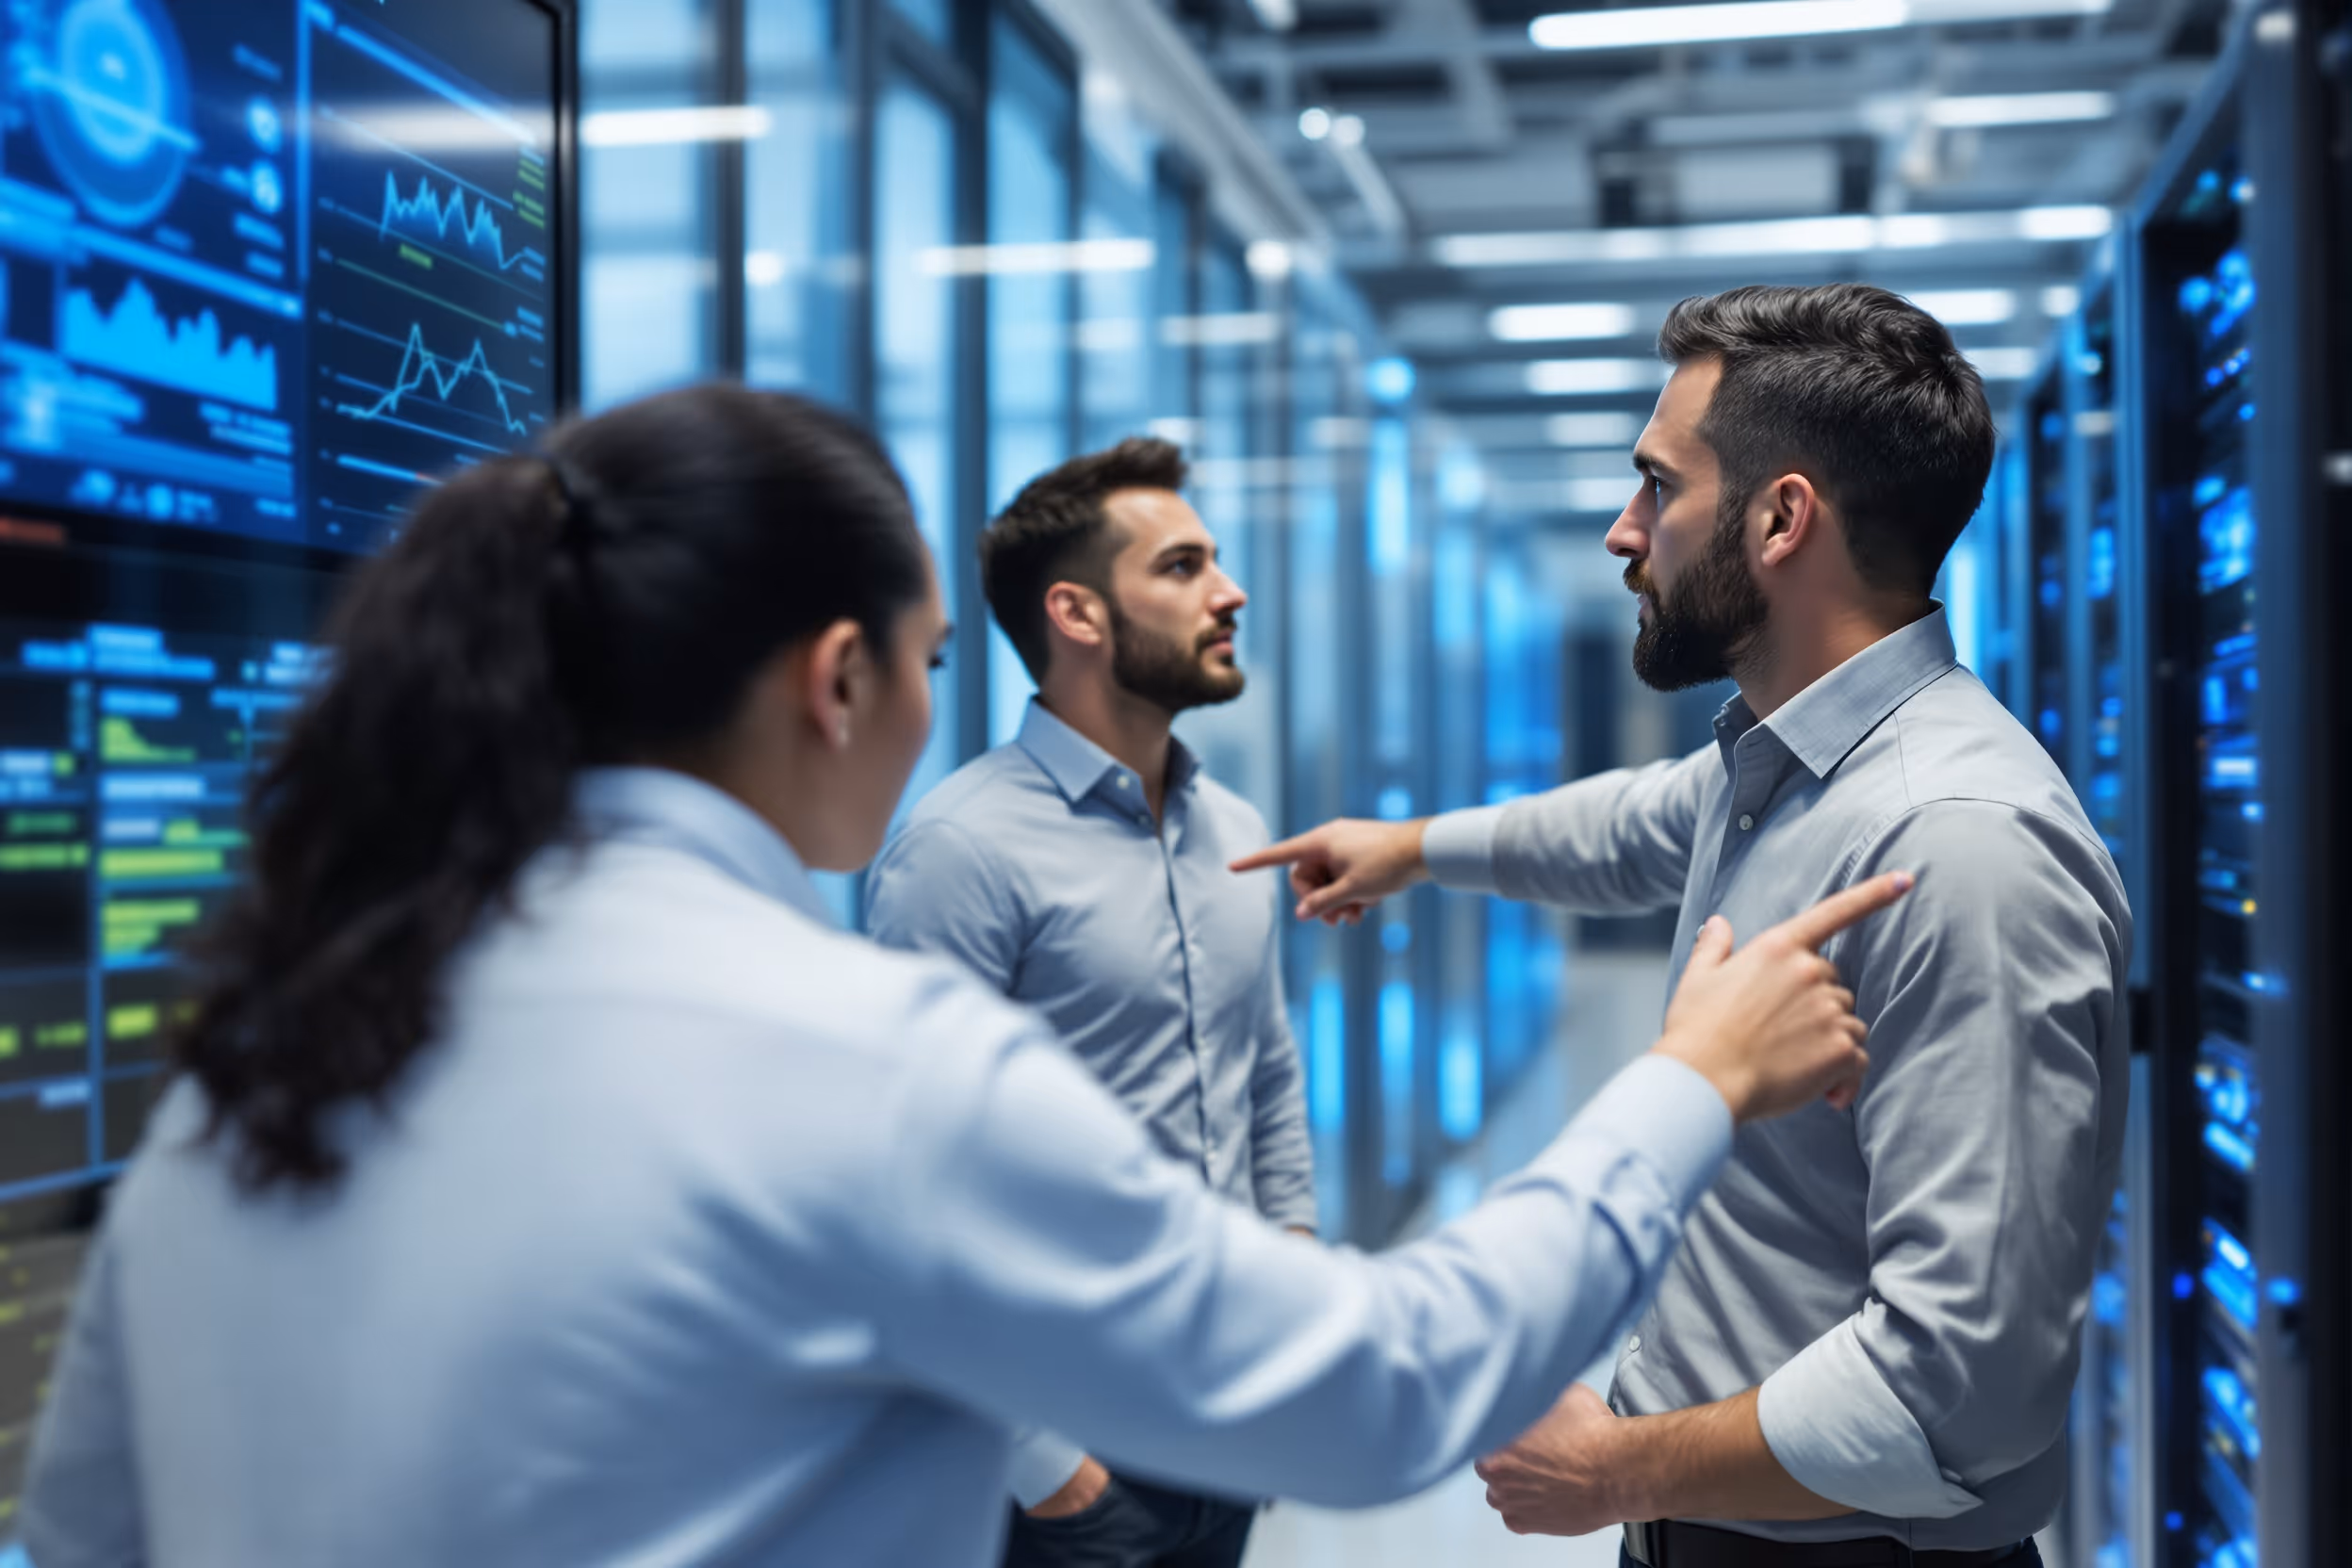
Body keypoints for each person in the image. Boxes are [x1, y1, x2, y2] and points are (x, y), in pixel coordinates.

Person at [22, 384, 1901, 1568]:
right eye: (924, 658)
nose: (934, 710)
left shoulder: (253, 1072)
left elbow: (80, 1532)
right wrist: (1692, 1081)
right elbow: (1387, 1391)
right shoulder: (850, 1056)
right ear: (834, 680)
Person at [1238, 284, 2132, 1568]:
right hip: (1714, 1523)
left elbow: (1963, 1393)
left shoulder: (1961, 846)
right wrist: (1413, 851)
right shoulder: (1781, 768)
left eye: (1658, 485)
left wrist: (1618, 1468)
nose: (1623, 529)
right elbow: (1623, 829)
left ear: (1781, 520)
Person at [867, 437, 1306, 1568]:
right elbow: (910, 1171)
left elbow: (1267, 1079)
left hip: (1227, 1411)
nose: (1230, 589)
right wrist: (1043, 1461)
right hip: (1069, 1466)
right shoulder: (960, 848)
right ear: (1077, 612)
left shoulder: (1240, 833)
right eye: (1183, 565)